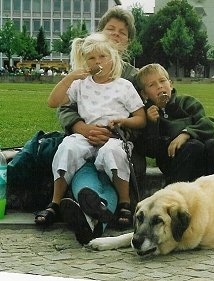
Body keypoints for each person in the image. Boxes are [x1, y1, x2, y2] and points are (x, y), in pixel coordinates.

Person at [35, 7, 145, 245]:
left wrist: (121, 128)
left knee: (112, 159)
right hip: (85, 141)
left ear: (128, 41)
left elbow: (144, 115)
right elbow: (59, 105)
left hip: (117, 143)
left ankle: (98, 217)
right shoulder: (82, 79)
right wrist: (82, 127)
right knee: (71, 154)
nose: (116, 35)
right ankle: (68, 209)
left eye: (122, 33)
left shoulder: (132, 79)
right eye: (110, 30)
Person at [134, 63, 214, 184]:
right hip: (174, 161)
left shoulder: (187, 102)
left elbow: (206, 125)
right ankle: (173, 195)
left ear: (170, 84)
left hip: (203, 158)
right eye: (152, 85)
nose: (159, 86)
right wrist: (152, 124)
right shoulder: (146, 113)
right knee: (194, 146)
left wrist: (186, 134)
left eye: (162, 81)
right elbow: (150, 151)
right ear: (144, 94)